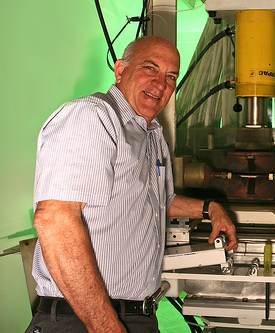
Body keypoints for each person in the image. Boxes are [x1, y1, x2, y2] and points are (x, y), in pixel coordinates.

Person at [25, 36, 238, 333]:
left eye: (171, 76)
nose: (161, 84)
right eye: (150, 68)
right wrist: (107, 327)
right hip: (86, 319)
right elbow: (55, 220)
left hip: (136, 317)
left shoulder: (151, 134)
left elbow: (154, 200)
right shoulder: (92, 117)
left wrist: (210, 208)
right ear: (120, 70)